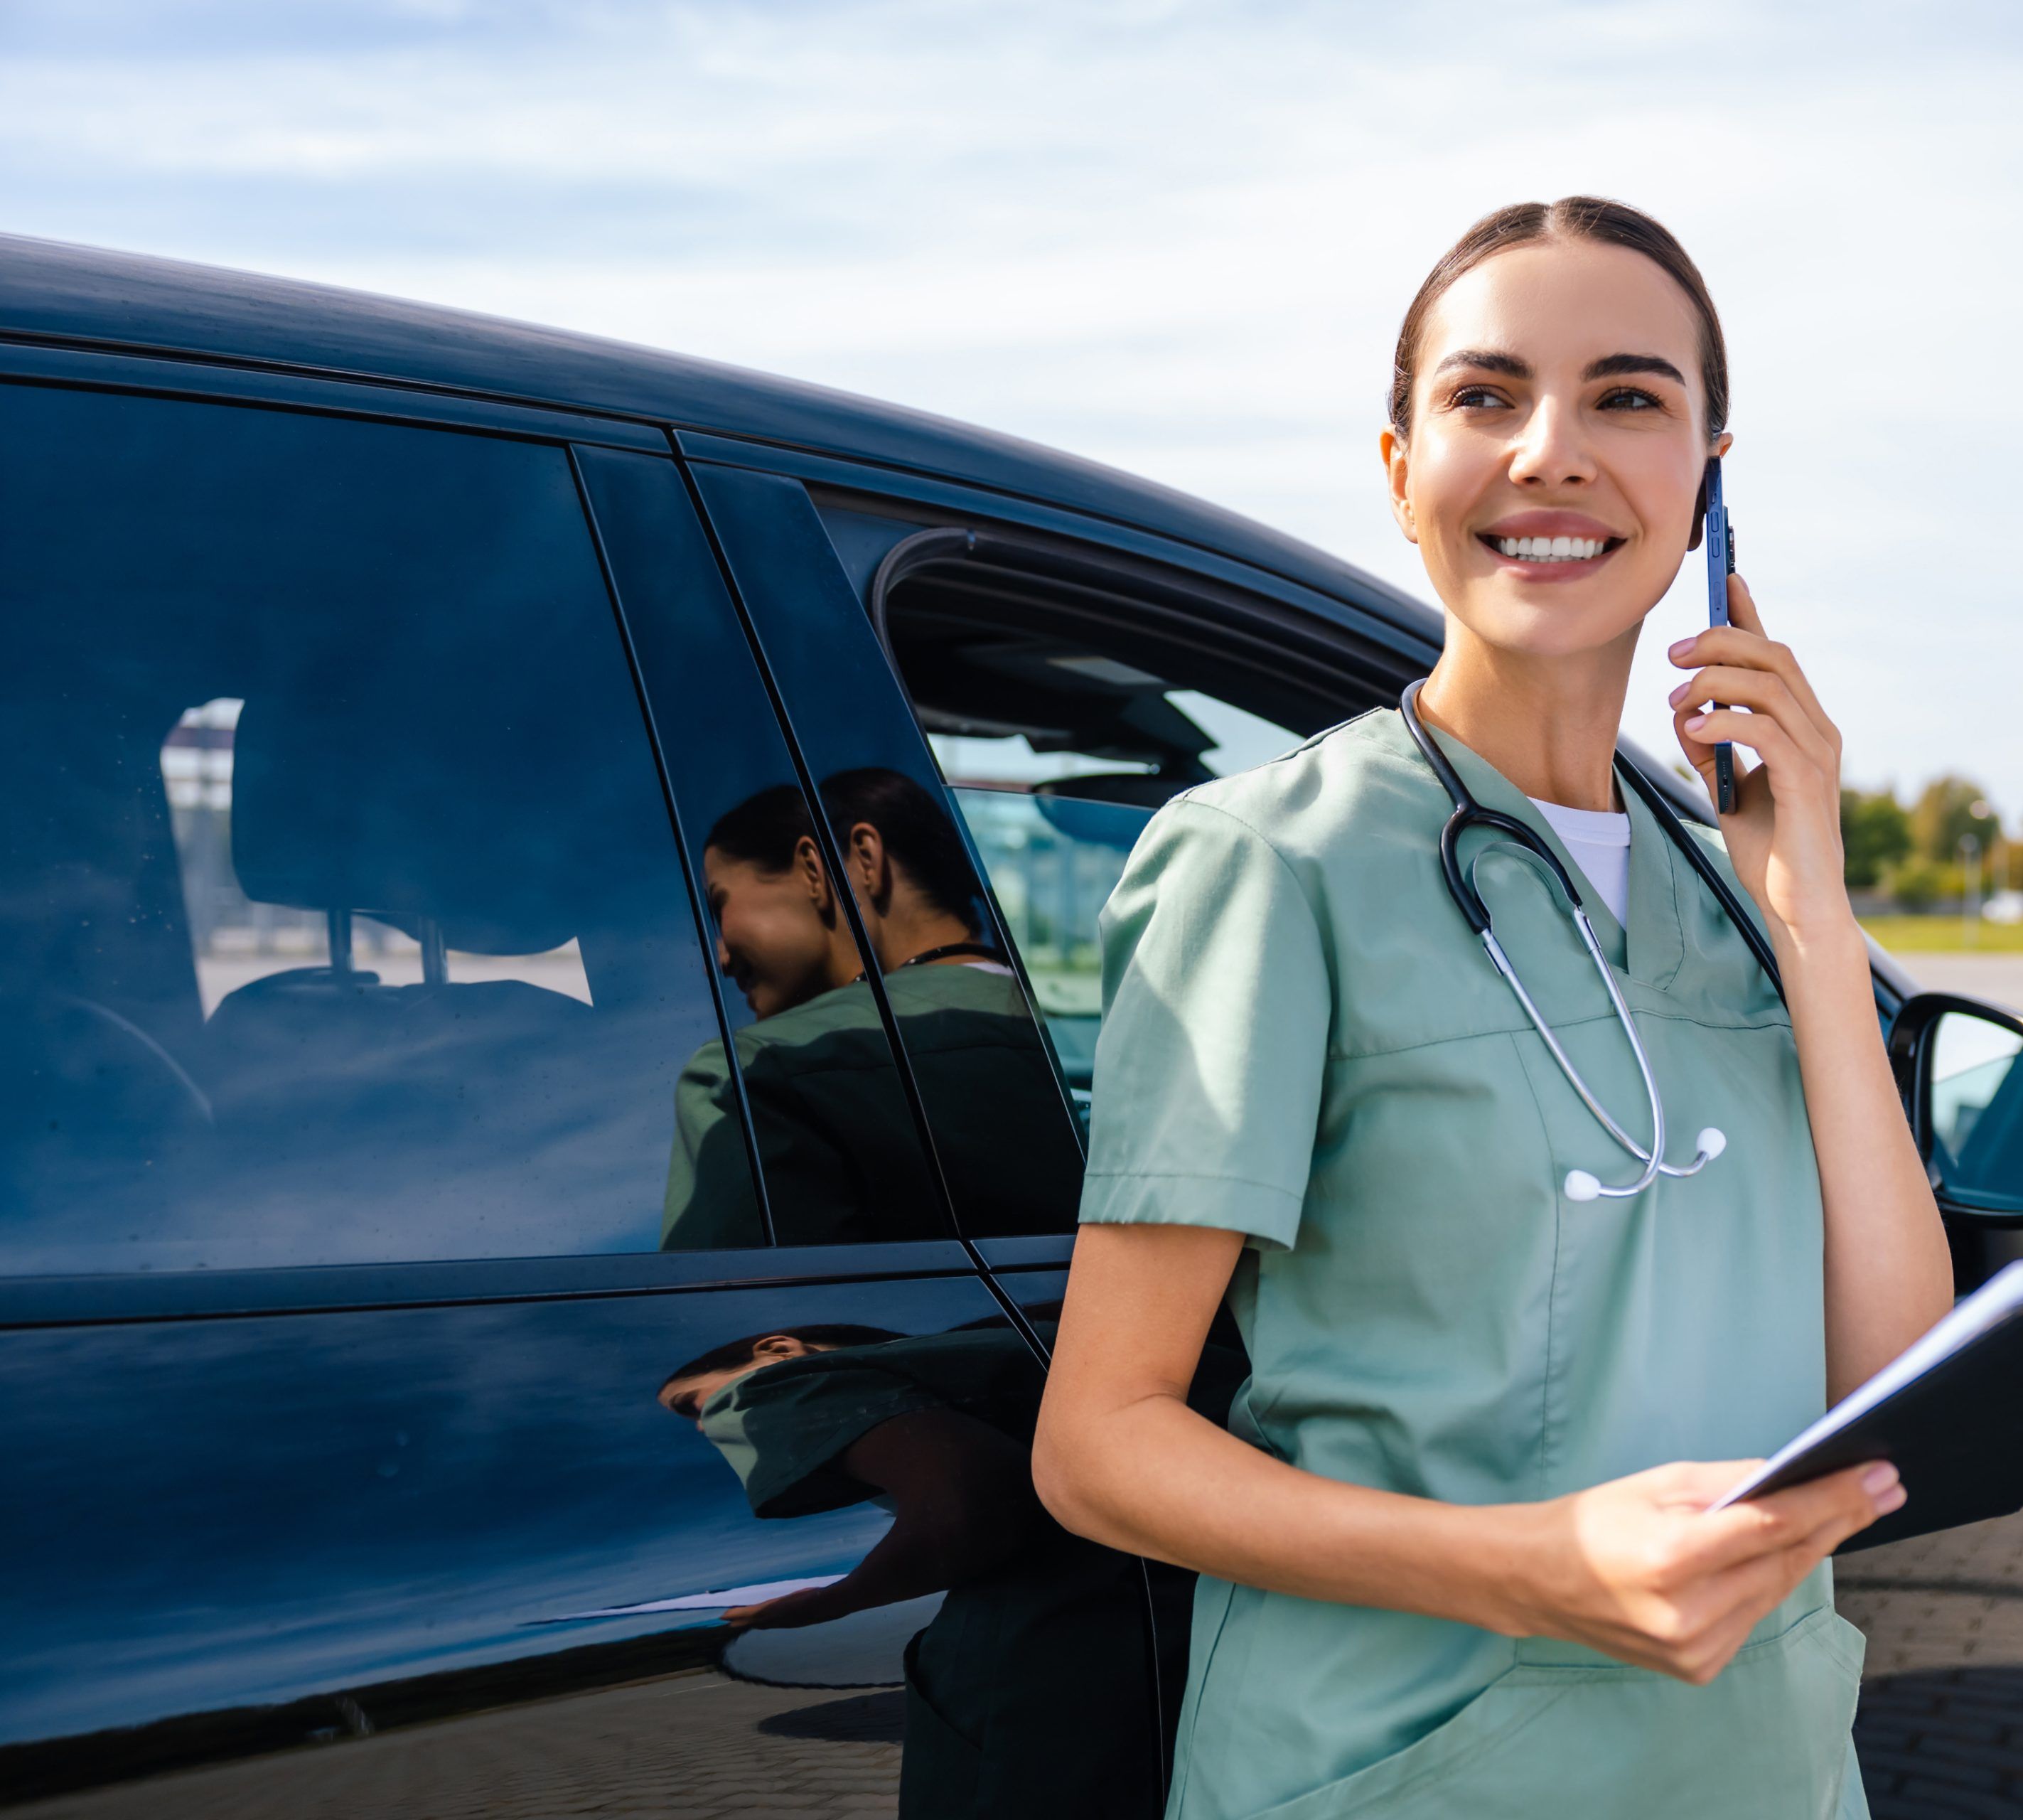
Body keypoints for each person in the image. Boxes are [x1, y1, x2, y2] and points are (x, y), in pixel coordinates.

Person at [1031, 197, 1957, 1818]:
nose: (1548, 450)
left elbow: (1880, 1370)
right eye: (1482, 395)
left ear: (1706, 480)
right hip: (1404, 1771)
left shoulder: (1737, 880)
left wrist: (1811, 910)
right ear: (1398, 471)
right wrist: (1526, 1567)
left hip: (1756, 1770)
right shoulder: (1272, 863)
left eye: (1625, 395)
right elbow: (1097, 1442)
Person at [656, 1324, 1169, 1819]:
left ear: (778, 1349)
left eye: (689, 1404)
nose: (702, 1423)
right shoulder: (1023, 1343)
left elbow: (974, 1503)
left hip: (1073, 1655)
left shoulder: (776, 1384)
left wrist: (831, 1602)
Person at [661, 768, 1070, 1249]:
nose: (722, 959)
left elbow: (735, 1313)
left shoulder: (757, 1073)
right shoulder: (1089, 1042)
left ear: (832, 865)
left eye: (719, 906)